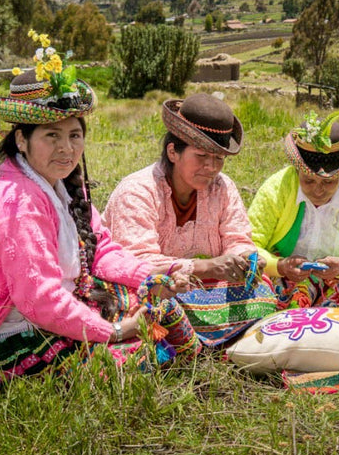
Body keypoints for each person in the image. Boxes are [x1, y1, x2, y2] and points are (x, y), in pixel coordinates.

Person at [0, 38, 195, 391]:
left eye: (74, 135)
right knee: (127, 356)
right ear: (21, 140)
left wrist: (152, 276)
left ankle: (183, 353)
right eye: (51, 136)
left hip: (34, 307)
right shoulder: (17, 203)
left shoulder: (61, 183)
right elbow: (40, 299)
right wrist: (115, 331)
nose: (66, 148)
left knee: (153, 304)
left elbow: (100, 250)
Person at [103, 93, 275, 347]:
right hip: (158, 288)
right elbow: (137, 262)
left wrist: (245, 258)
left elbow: (237, 238)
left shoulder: (222, 188)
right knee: (147, 305)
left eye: (219, 158)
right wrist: (205, 267)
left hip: (203, 289)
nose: (211, 167)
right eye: (201, 156)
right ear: (173, 152)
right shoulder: (137, 192)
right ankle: (210, 336)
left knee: (263, 295)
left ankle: (195, 335)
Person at [248, 112, 339, 309]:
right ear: (297, 171)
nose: (318, 190)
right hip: (285, 279)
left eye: (329, 182)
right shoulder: (276, 189)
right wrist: (280, 266)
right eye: (308, 181)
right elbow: (249, 246)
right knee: (253, 292)